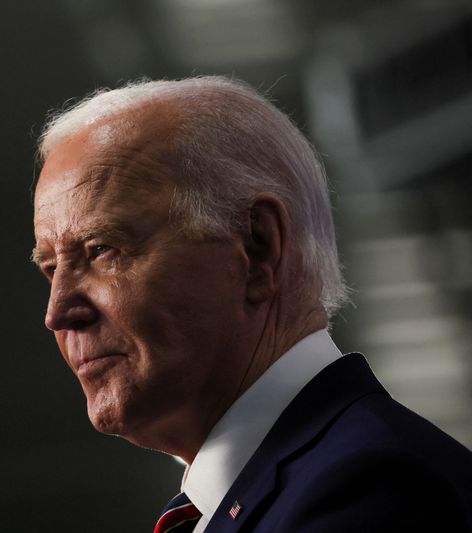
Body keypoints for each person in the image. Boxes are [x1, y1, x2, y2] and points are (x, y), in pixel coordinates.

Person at [30, 76, 472, 532]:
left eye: (103, 250)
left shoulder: (368, 490)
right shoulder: (276, 490)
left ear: (257, 247)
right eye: (50, 269)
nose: (58, 312)